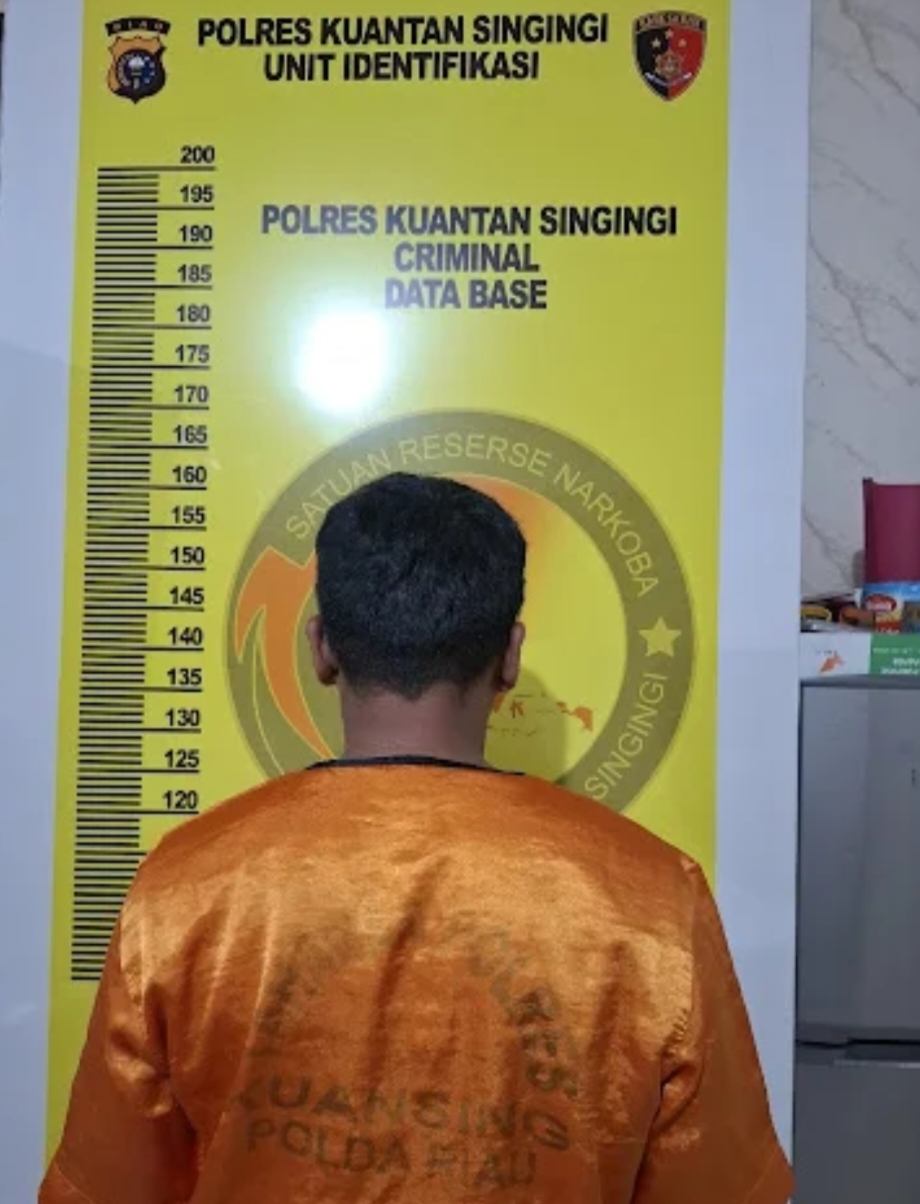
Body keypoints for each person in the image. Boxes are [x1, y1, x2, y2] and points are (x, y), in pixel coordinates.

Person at [42, 472, 792, 1203]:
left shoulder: (184, 888)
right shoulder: (652, 899)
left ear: (321, 648)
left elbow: (109, 1187)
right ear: (510, 655)